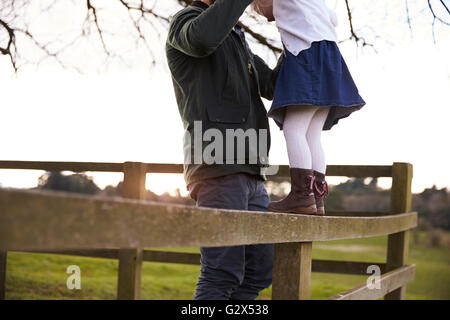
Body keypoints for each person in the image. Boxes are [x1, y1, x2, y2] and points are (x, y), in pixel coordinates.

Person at [166, 0, 283, 300]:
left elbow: (273, 85)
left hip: (253, 172)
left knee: (259, 270)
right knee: (222, 273)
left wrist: (297, 33)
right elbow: (203, 39)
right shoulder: (184, 23)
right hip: (217, 167)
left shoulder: (237, 40)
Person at [254, 0, 366, 215]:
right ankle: (315, 198)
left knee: (293, 129)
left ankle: (301, 197)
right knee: (312, 134)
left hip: (308, 57)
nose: (267, 16)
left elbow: (270, 8)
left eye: (260, 9)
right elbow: (334, 19)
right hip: (330, 60)